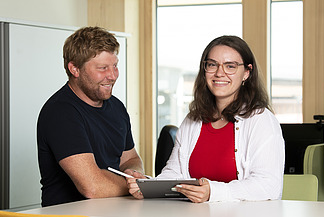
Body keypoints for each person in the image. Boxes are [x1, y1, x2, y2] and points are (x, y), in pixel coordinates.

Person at [127, 35, 285, 203]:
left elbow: (269, 186)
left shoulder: (261, 120)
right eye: (212, 65)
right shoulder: (192, 120)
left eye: (230, 66)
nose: (219, 73)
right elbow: (174, 173)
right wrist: (148, 186)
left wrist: (213, 192)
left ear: (246, 72)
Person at [37, 26, 144, 207]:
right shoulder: (60, 112)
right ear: (75, 69)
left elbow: (130, 159)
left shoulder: (117, 107)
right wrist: (137, 186)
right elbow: (92, 187)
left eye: (115, 66)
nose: (112, 76)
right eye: (103, 68)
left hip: (112, 209)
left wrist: (133, 173)